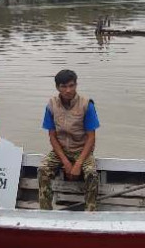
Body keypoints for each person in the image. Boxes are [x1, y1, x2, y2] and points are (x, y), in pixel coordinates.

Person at [38, 70, 100, 211]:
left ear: (76, 85)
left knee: (91, 173)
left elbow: (91, 138)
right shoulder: (51, 105)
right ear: (57, 87)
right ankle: (45, 213)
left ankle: (90, 212)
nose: (68, 90)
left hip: (82, 150)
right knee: (42, 170)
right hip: (60, 150)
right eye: (63, 86)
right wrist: (65, 161)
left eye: (71, 86)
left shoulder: (86, 105)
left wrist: (78, 164)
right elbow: (52, 136)